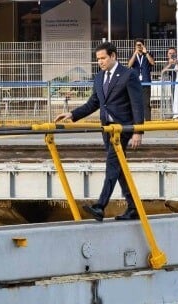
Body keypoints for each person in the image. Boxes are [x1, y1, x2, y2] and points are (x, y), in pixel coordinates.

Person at [55, 42, 144, 222]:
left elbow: (137, 104)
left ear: (113, 56)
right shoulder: (99, 78)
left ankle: (100, 206)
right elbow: (93, 103)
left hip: (122, 129)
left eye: (103, 58)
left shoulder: (129, 75)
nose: (100, 62)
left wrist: (138, 130)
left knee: (112, 166)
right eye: (98, 59)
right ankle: (133, 207)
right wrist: (72, 113)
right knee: (118, 169)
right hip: (107, 129)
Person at [127, 38, 155, 122]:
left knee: (146, 103)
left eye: (140, 45)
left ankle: (148, 120)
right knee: (135, 102)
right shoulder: (133, 55)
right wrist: (135, 53)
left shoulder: (148, 54)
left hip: (146, 82)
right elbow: (129, 65)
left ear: (143, 45)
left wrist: (145, 52)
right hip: (135, 82)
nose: (139, 47)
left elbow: (152, 63)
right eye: (137, 45)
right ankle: (137, 120)